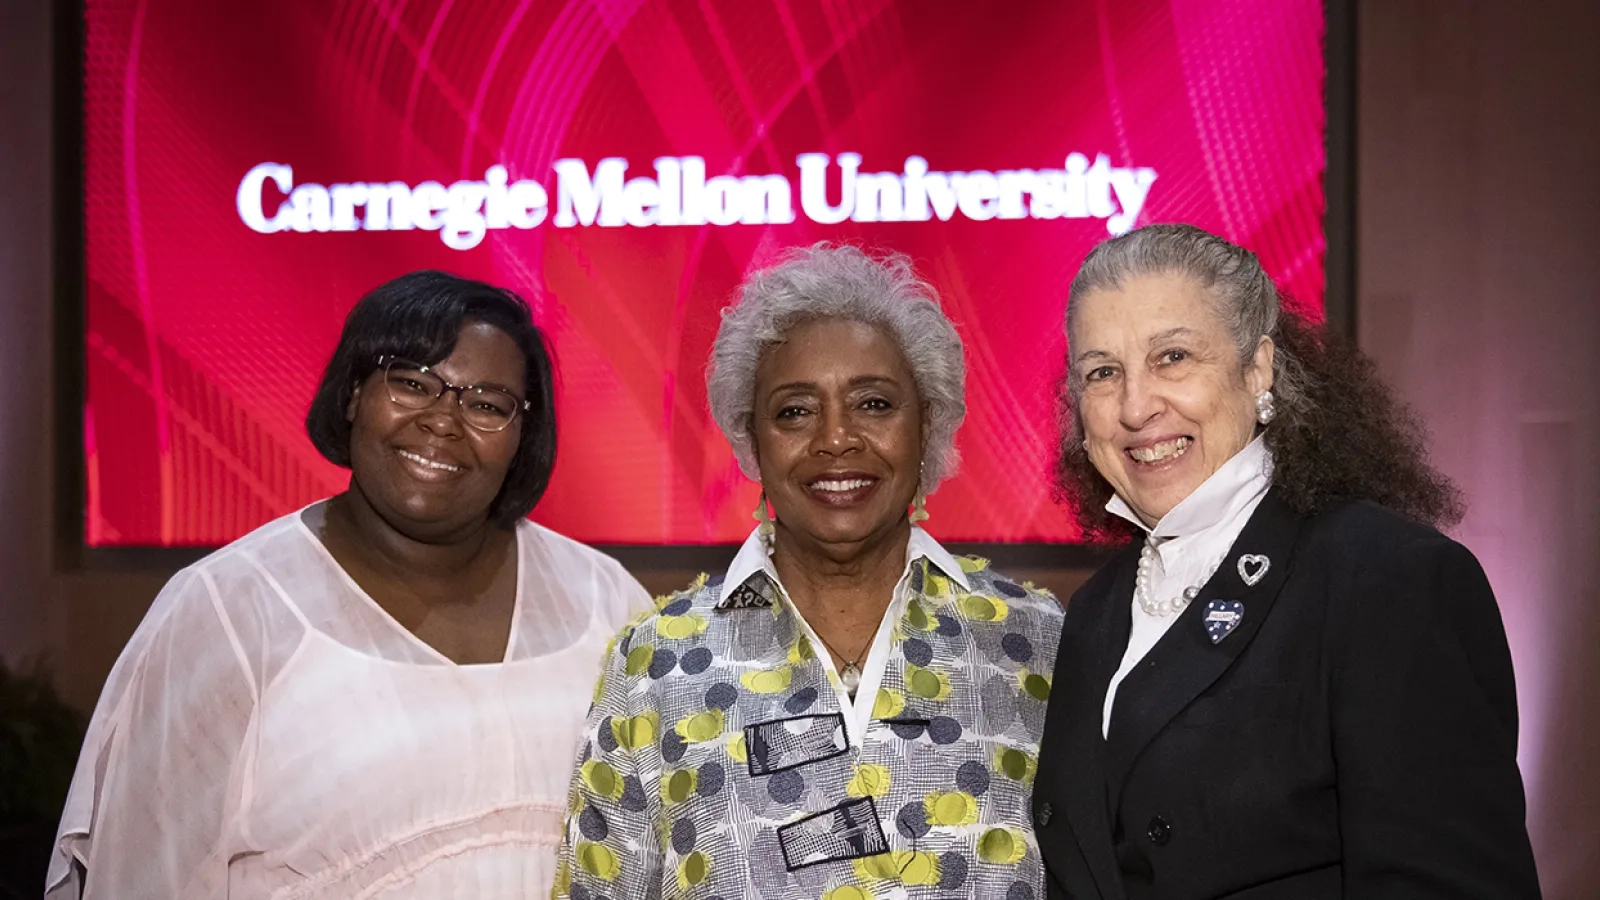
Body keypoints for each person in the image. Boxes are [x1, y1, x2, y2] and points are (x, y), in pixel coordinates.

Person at [47, 271, 652, 898]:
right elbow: (145, 875)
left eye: (486, 404)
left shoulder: (604, 600)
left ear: (522, 436)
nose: (444, 420)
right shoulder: (227, 610)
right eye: (413, 383)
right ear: (352, 395)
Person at [1032, 223, 1541, 899]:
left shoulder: (1388, 579)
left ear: (1259, 368)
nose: (1135, 406)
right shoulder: (1094, 613)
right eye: (1102, 372)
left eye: (1173, 358)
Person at [552, 244, 1065, 900]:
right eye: (795, 411)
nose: (836, 438)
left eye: (874, 404)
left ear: (927, 423)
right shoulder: (657, 662)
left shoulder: (1037, 643)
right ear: (751, 439)